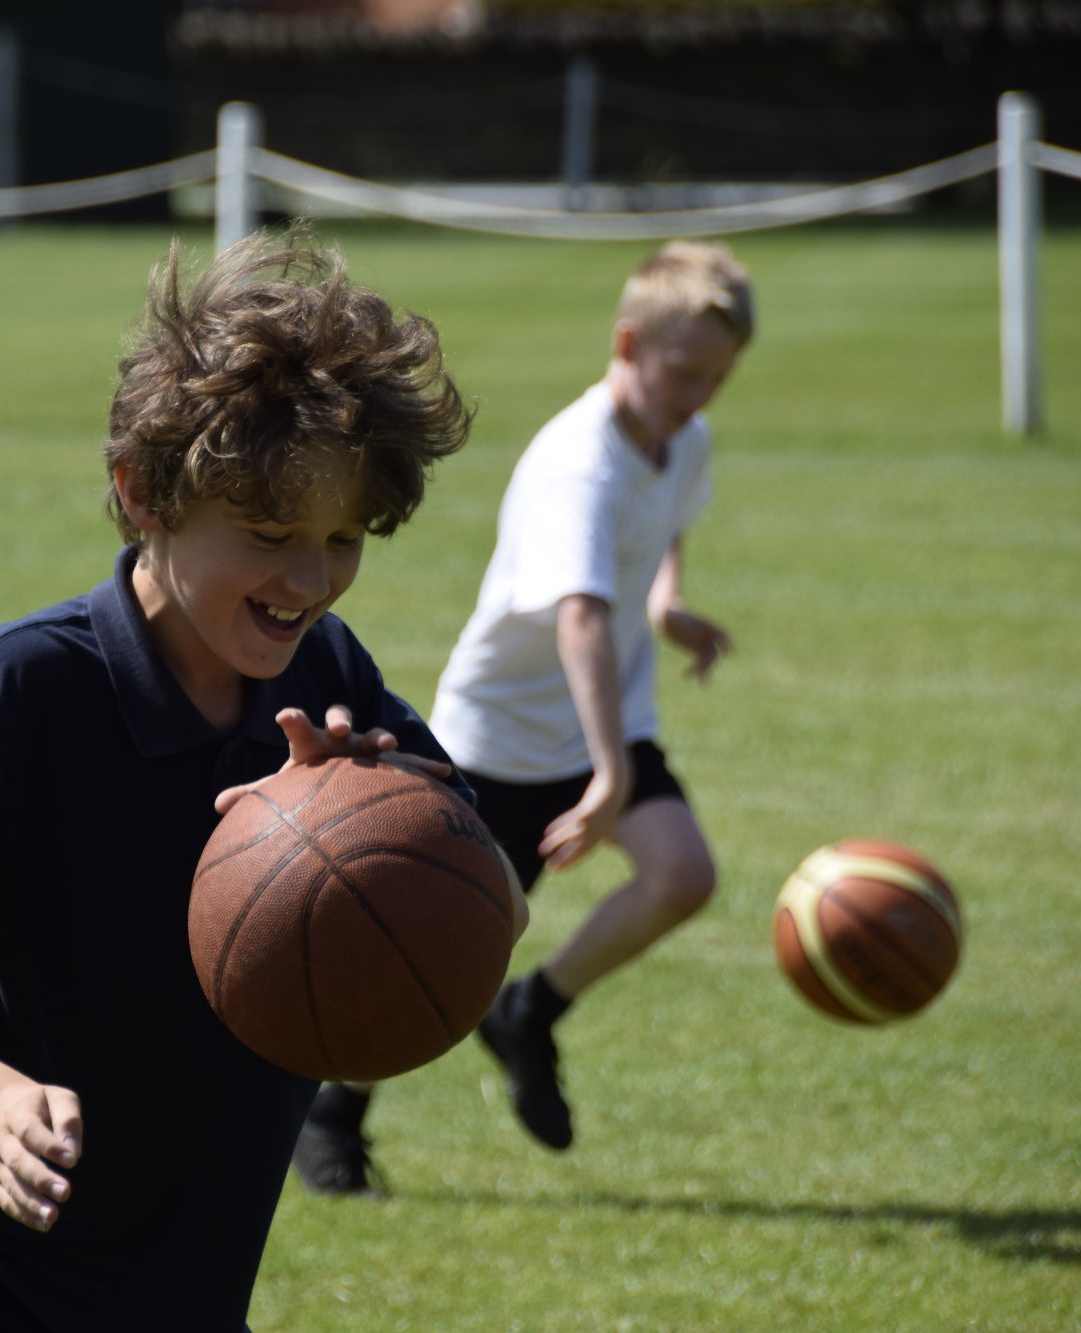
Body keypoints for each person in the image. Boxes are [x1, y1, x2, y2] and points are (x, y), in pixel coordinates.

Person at [0, 228, 524, 1331]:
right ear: (142, 493)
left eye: (343, 536)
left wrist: (393, 815)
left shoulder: (327, 673)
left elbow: (485, 901)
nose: (311, 579)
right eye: (270, 532)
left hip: (183, 1264)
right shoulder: (27, 688)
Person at [291, 239, 752, 1191]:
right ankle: (334, 1113)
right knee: (443, 945)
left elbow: (661, 533)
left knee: (683, 874)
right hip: (500, 741)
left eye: (716, 379)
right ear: (627, 342)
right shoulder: (578, 461)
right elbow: (579, 617)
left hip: (600, 723)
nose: (699, 396)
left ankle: (531, 1012)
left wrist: (665, 606)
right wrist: (614, 773)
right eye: (684, 373)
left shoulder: (682, 438)